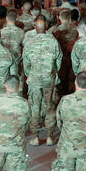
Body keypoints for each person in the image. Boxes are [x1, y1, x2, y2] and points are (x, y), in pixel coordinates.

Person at [23, 16, 63, 145]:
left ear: (35, 27)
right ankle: (50, 136)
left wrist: (31, 74)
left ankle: (35, 137)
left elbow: (26, 65)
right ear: (46, 27)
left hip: (34, 80)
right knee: (49, 106)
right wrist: (52, 72)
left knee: (34, 107)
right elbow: (59, 61)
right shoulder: (53, 41)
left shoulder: (29, 42)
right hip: (49, 79)